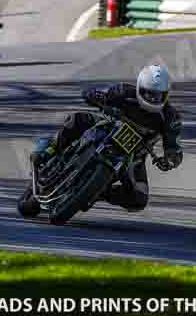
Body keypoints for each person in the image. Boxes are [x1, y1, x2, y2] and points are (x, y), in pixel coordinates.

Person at [21, 65, 183, 216]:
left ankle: (98, 192)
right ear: (140, 88)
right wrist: (93, 96)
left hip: (135, 154)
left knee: (139, 199)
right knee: (76, 120)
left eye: (158, 95)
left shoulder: (170, 118)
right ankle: (48, 150)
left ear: (166, 94)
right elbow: (100, 95)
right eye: (149, 93)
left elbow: (173, 147)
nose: (153, 99)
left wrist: (170, 160)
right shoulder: (123, 92)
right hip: (107, 127)